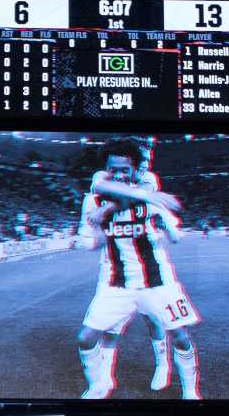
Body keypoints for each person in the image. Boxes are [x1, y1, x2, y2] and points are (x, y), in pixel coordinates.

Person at [76, 138, 202, 399]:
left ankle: (190, 391)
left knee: (179, 334)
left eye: (125, 170)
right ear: (106, 170)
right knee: (86, 338)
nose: (119, 174)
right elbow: (90, 242)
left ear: (136, 170)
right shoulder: (93, 200)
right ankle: (98, 385)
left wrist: (164, 223)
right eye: (114, 170)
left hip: (156, 281)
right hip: (116, 282)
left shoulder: (149, 194)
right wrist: (97, 227)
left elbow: (175, 234)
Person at [88, 142, 180, 391]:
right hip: (111, 267)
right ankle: (105, 376)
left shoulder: (147, 177)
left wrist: (107, 207)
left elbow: (135, 198)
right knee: (110, 326)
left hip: (145, 265)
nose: (118, 173)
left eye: (126, 168)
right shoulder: (102, 175)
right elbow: (103, 187)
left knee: (153, 319)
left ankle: (163, 365)